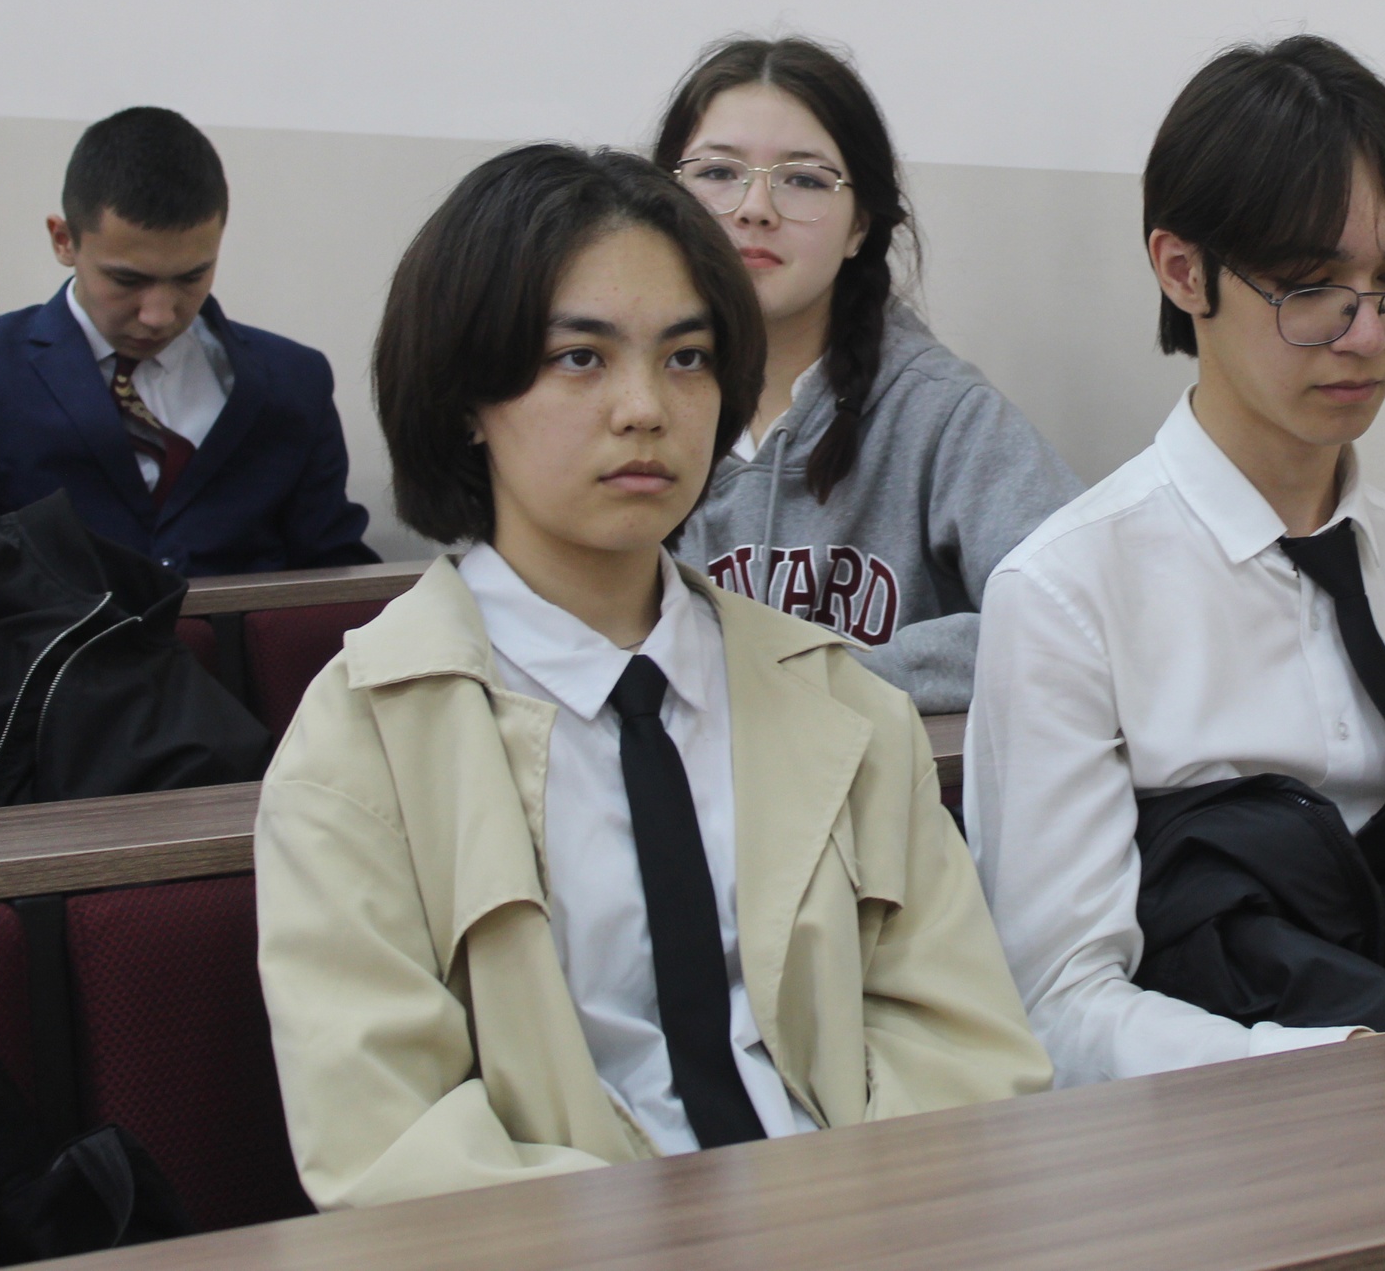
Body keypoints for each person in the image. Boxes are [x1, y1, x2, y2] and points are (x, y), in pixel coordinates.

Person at [255, 144, 1048, 1209]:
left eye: (687, 358)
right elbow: (393, 1149)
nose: (645, 408)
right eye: (580, 358)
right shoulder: (361, 746)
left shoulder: (842, 704)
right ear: (464, 398)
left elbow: (966, 1052)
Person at [966, 36, 1385, 1090]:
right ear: (1182, 270)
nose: (1366, 336)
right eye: (1310, 287)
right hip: (1212, 1135)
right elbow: (1058, 1006)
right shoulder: (1066, 593)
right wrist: (1341, 1070)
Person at [653, 38, 1081, 715]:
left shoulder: (943, 413)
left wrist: (825, 682)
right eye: (718, 172)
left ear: (860, 226)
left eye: (803, 179)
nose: (755, 207)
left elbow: (1080, 617)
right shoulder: (625, 405)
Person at [0, 107, 375, 576]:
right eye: (127, 280)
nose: (159, 315)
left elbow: (333, 572)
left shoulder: (295, 380)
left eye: (191, 276)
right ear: (63, 241)